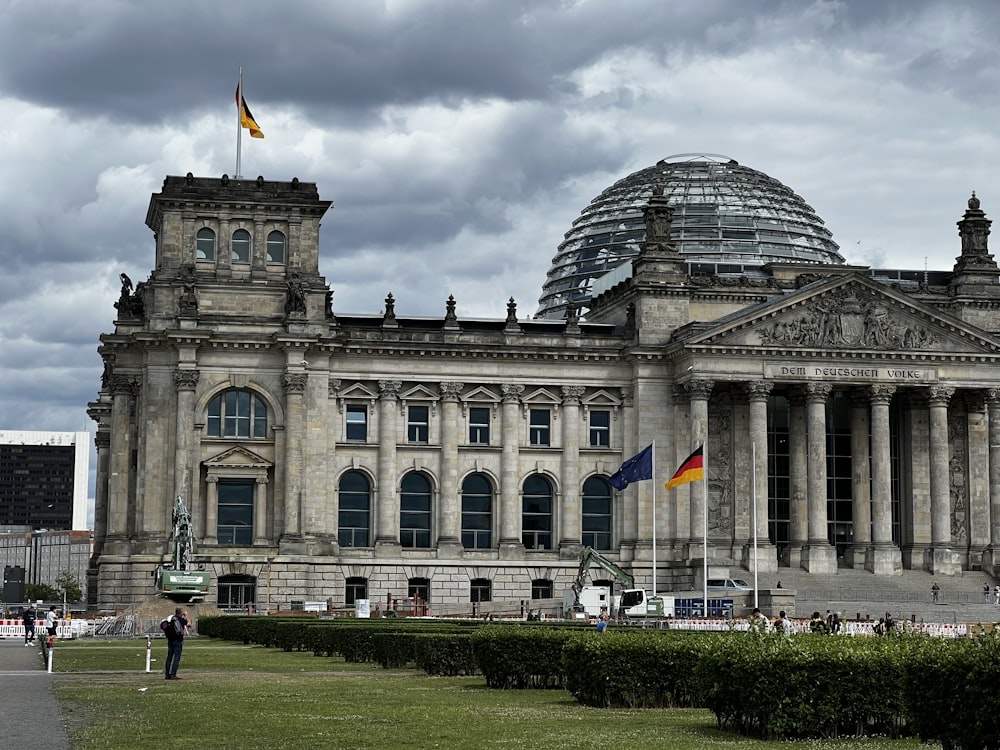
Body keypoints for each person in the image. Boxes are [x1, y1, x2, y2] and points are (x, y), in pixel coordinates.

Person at [164, 606, 190, 680]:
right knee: (176, 657)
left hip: (170, 639)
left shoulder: (171, 619)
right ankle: (173, 674)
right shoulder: (180, 620)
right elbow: (188, 623)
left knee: (169, 657)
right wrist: (186, 616)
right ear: (181, 613)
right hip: (178, 640)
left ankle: (167, 674)